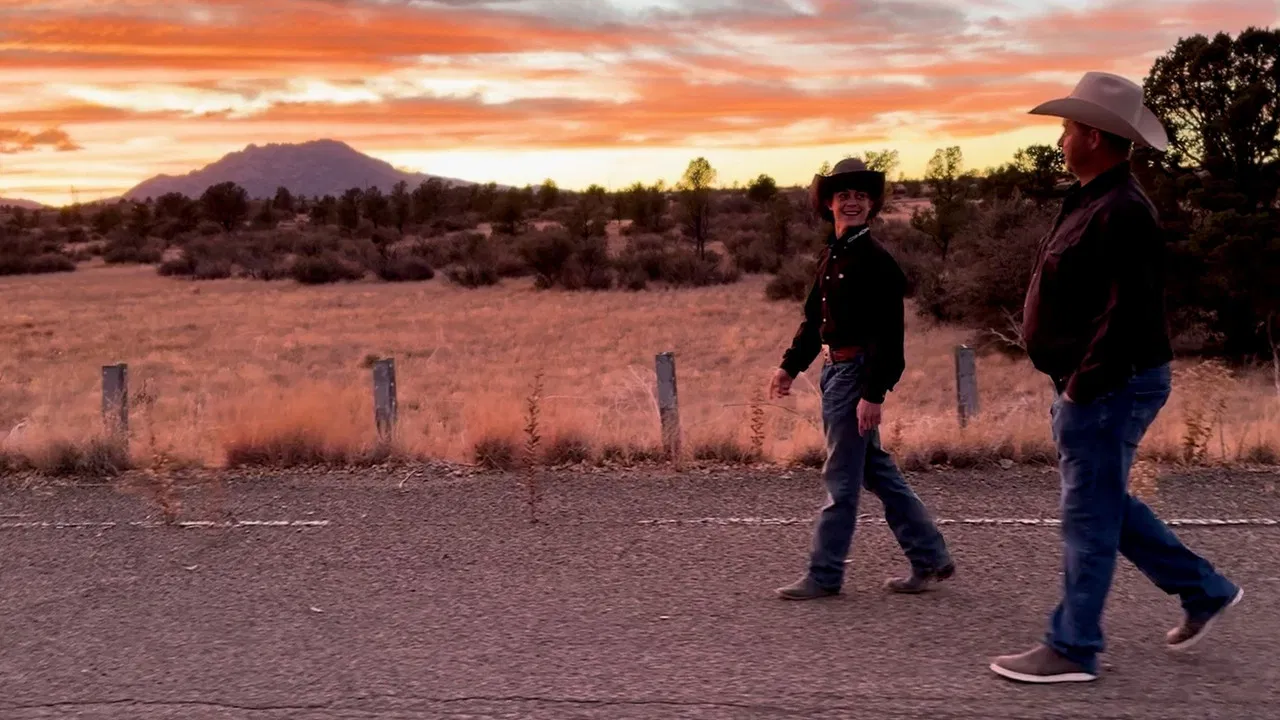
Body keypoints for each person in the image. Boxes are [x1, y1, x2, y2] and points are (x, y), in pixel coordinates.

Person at [990, 71, 1243, 684]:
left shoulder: (1124, 209)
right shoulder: (1092, 197)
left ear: (1096, 137)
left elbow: (1126, 314)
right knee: (1104, 503)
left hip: (1109, 383)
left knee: (1087, 515)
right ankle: (1203, 589)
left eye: (1068, 129)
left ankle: (1073, 646)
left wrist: (1081, 388)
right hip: (1097, 381)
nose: (1060, 140)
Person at [771, 157, 953, 601]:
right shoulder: (834, 254)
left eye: (860, 196)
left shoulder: (876, 263)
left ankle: (825, 574)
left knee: (841, 480)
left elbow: (889, 338)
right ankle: (929, 556)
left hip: (856, 377)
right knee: (876, 471)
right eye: (842, 195)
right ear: (828, 203)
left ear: (871, 205)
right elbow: (816, 320)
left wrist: (873, 394)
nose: (851, 202)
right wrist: (789, 366)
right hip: (835, 373)